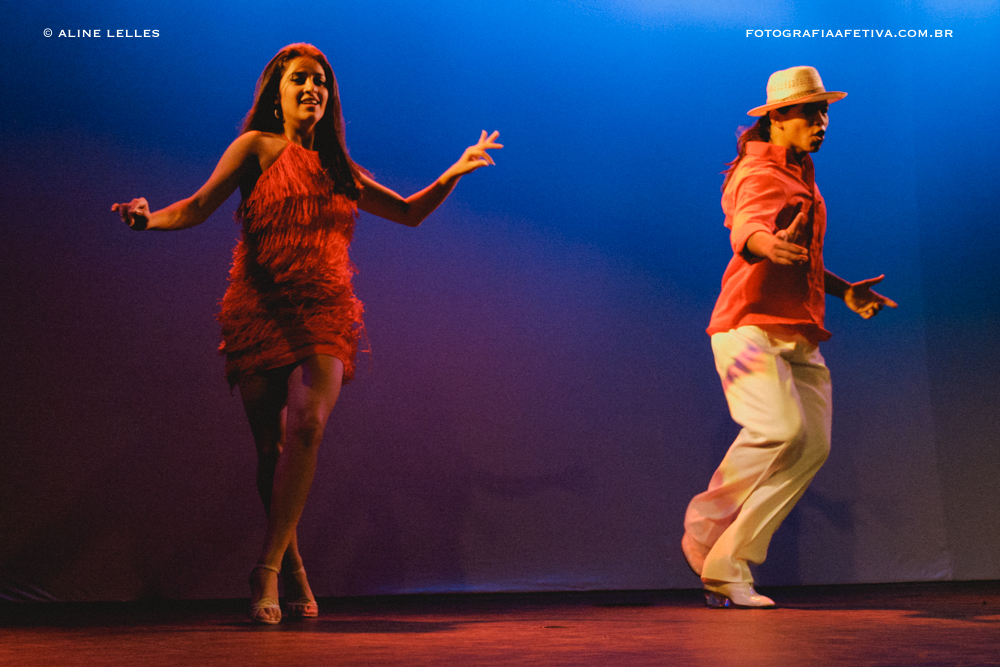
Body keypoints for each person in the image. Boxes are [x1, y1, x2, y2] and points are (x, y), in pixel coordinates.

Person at [112, 43, 502, 624]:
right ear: (277, 92)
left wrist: (453, 171)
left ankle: (264, 567)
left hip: (324, 312)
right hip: (259, 310)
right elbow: (197, 206)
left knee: (310, 425)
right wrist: (148, 219)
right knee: (270, 450)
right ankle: (293, 566)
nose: (311, 89)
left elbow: (409, 212)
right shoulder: (255, 149)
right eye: (299, 80)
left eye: (320, 82)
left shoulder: (340, 169)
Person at [680, 66, 897, 608]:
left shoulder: (803, 173)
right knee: (781, 428)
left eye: (825, 112)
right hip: (747, 328)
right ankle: (708, 533)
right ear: (777, 117)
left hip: (799, 331)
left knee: (811, 445)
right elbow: (747, 228)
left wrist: (844, 290)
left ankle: (727, 560)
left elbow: (799, 254)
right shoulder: (757, 173)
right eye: (810, 112)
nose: (822, 122)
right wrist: (763, 245)